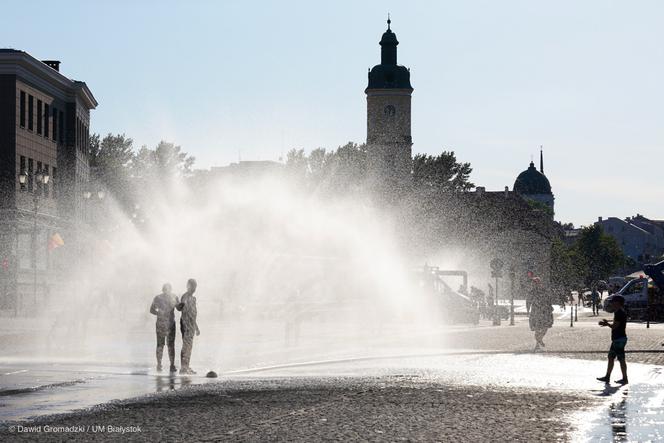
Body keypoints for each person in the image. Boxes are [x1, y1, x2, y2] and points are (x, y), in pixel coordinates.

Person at [597, 295, 628, 385]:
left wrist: (607, 324)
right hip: (617, 339)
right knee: (611, 357)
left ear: (618, 303)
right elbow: (616, 323)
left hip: (619, 339)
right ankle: (607, 377)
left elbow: (615, 326)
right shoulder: (619, 312)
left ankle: (625, 379)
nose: (611, 303)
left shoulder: (619, 313)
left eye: (613, 302)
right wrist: (607, 323)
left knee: (621, 359)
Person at [150, 283, 179, 372]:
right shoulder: (158, 298)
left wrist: (181, 305)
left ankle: (172, 365)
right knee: (160, 345)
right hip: (161, 324)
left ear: (171, 289)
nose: (167, 291)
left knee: (171, 345)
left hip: (170, 324)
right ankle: (159, 365)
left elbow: (178, 308)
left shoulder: (174, 297)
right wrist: (159, 313)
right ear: (163, 290)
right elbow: (151, 310)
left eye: (168, 289)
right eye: (165, 289)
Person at [176, 278, 200, 375]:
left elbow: (193, 314)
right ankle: (183, 368)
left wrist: (196, 327)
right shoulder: (185, 296)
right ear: (188, 286)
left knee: (189, 346)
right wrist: (179, 306)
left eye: (195, 286)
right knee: (186, 346)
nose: (194, 288)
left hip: (191, 325)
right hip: (186, 325)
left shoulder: (193, 298)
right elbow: (180, 308)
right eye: (192, 286)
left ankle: (186, 366)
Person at [529, 277, 553, 351]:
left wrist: (549, 307)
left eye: (535, 283)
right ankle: (538, 343)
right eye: (534, 283)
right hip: (537, 311)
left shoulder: (543, 291)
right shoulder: (533, 291)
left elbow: (548, 300)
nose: (534, 285)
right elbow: (529, 301)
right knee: (538, 328)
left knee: (544, 327)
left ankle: (539, 340)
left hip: (543, 311)